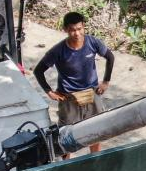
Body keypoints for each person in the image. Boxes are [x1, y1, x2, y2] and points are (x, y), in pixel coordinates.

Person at [34, 12, 115, 154]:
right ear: (65, 29)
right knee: (66, 134)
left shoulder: (92, 42)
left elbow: (110, 57)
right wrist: (49, 92)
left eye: (79, 29)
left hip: (92, 93)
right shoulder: (58, 50)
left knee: (96, 129)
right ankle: (66, 165)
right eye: (72, 30)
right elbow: (38, 71)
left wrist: (105, 82)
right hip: (69, 98)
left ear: (84, 27)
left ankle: (95, 159)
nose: (76, 33)